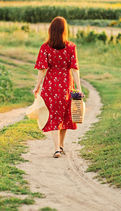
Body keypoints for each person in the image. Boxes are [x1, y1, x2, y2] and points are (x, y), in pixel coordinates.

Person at [33, 16, 82, 158]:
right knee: (64, 116)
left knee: (53, 116)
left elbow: (42, 70)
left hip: (50, 86)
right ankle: (60, 145)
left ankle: (56, 148)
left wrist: (37, 86)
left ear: (51, 30)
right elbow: (74, 69)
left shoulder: (45, 47)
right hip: (66, 85)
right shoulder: (71, 47)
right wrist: (78, 88)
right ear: (64, 31)